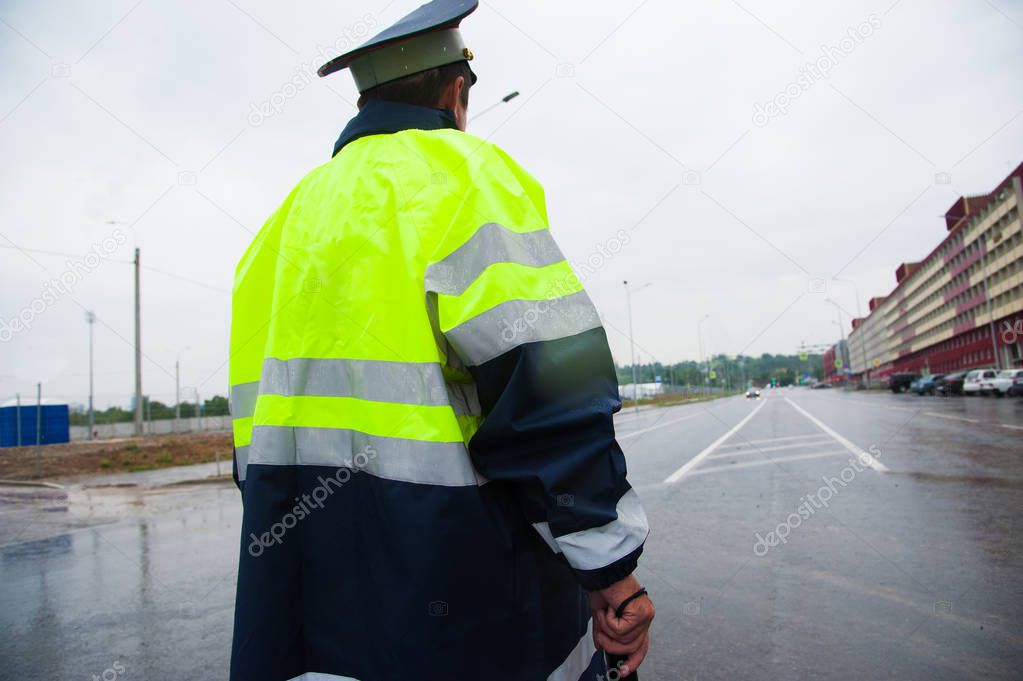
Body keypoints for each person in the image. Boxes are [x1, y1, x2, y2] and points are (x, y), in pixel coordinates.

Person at [228, 1, 653, 679]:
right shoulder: (464, 179)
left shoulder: (279, 228)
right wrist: (610, 568)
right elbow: (548, 389)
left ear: (366, 98)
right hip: (463, 609)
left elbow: (252, 452)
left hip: (306, 618)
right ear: (456, 91)